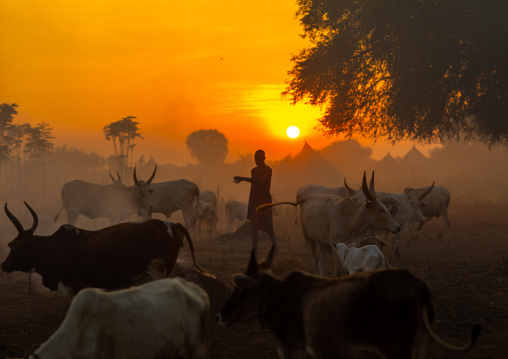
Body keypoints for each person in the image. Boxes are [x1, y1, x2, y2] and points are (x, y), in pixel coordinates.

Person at [233, 150, 278, 256]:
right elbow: (254, 180)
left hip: (265, 202)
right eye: (255, 158)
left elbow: (259, 180)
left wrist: (243, 178)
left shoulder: (268, 170)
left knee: (269, 228)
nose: (256, 160)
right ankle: (255, 251)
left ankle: (276, 250)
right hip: (254, 201)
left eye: (258, 158)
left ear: (264, 158)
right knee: (254, 227)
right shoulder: (253, 170)